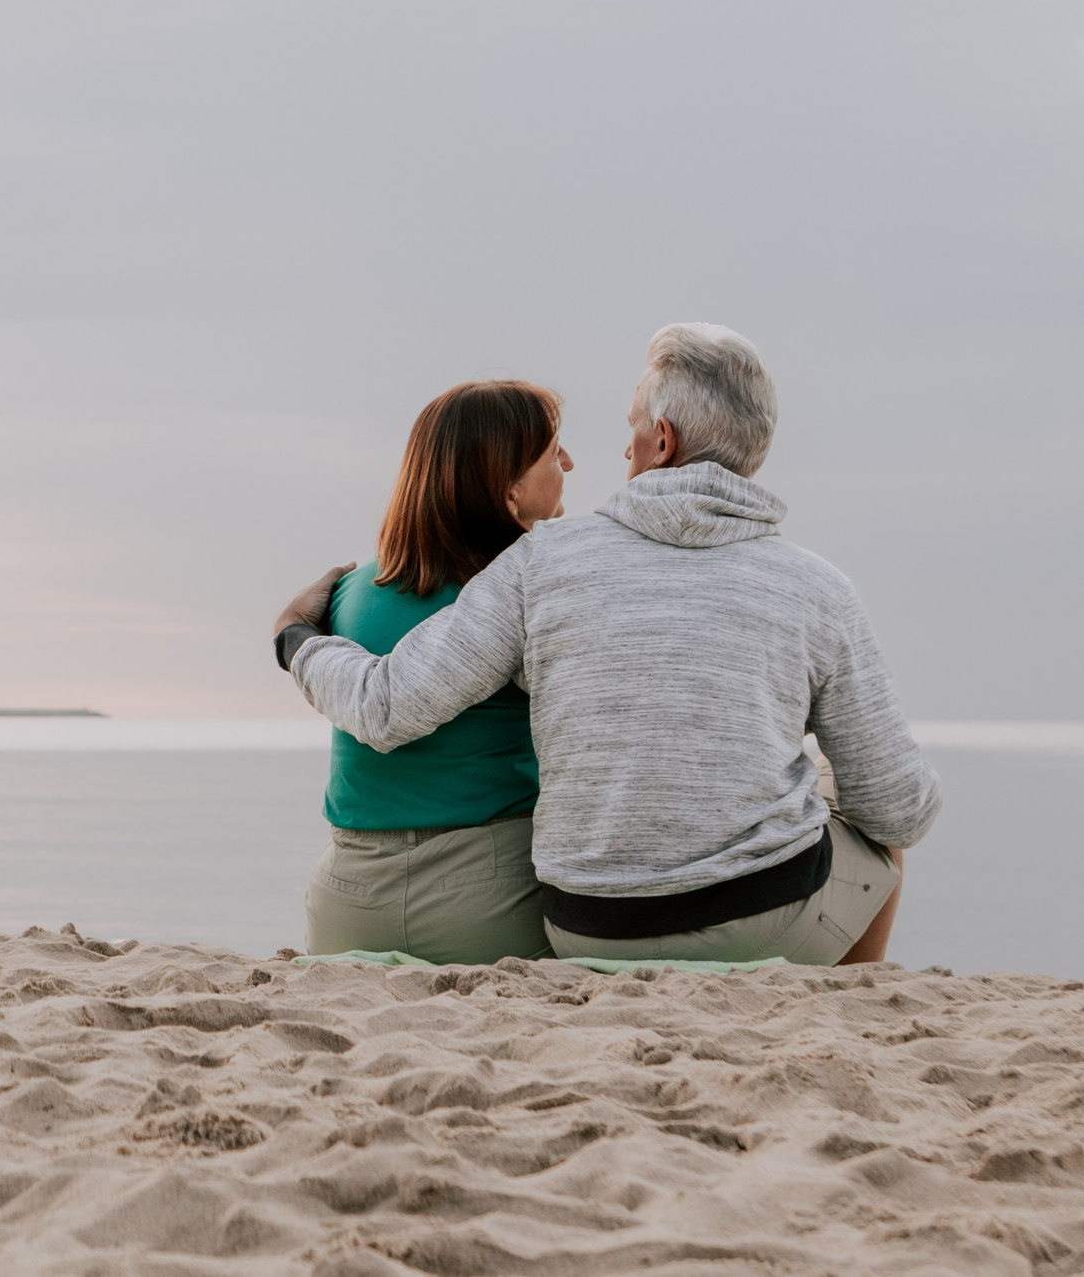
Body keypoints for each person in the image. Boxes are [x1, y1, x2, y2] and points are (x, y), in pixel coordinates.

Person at [273, 325, 940, 967]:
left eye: (630, 429)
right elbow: (900, 809)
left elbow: (390, 705)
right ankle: (852, 1005)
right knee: (861, 808)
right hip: (762, 916)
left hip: (588, 927)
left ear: (662, 440)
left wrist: (299, 638)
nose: (621, 451)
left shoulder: (541, 562)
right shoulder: (820, 588)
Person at [296, 380, 574, 964]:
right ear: (509, 492)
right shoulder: (524, 594)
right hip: (486, 902)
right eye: (553, 452)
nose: (569, 462)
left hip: (346, 906)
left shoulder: (345, 591)